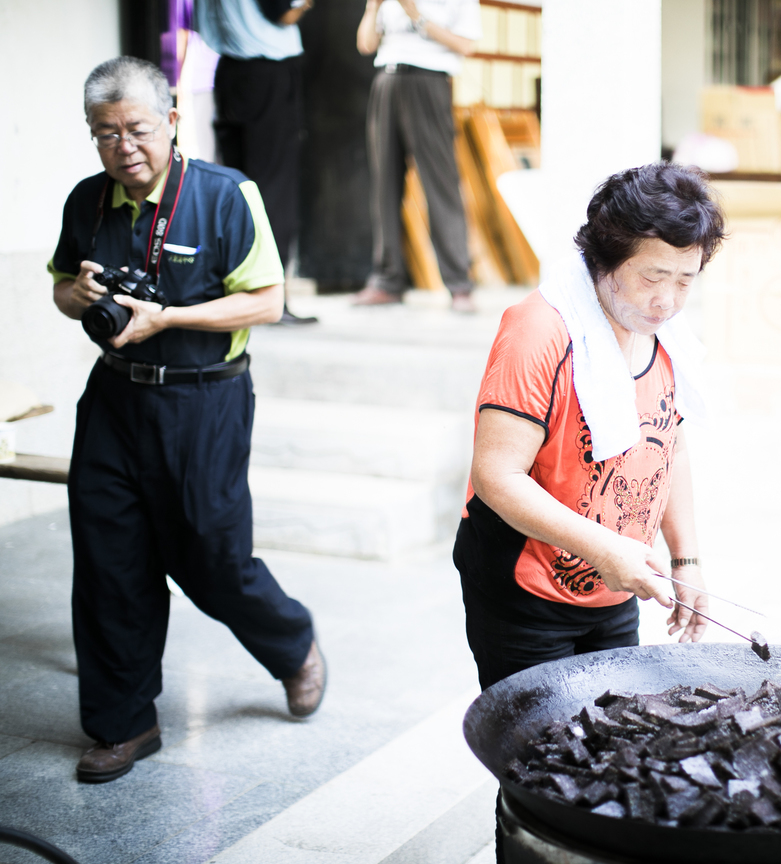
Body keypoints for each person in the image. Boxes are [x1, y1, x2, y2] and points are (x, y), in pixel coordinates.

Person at [48, 57, 325, 784]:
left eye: (137, 128)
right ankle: (123, 724)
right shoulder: (88, 202)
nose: (124, 147)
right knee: (108, 561)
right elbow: (61, 290)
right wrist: (81, 295)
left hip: (204, 399)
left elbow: (266, 301)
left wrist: (168, 317)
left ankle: (292, 643)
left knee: (212, 557)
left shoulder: (225, 195)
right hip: (114, 400)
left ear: (171, 120)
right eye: (106, 133)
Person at [454, 162, 724, 691]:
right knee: (540, 739)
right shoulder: (540, 331)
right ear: (605, 259)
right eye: (652, 277)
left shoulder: (660, 327)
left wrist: (686, 559)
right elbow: (496, 476)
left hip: (615, 584)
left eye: (685, 280)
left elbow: (668, 443)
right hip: (528, 588)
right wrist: (604, 550)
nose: (668, 300)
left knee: (610, 729)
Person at [195, 0, 318, 325]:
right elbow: (284, 12)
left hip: (229, 71)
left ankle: (236, 291)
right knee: (274, 189)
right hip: (267, 72)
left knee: (235, 187)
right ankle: (270, 298)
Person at [354, 0, 479, 311]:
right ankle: (387, 281)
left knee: (441, 185)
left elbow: (467, 45)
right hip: (386, 79)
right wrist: (372, 8)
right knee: (384, 185)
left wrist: (416, 15)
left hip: (429, 79)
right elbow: (366, 45)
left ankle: (459, 285)